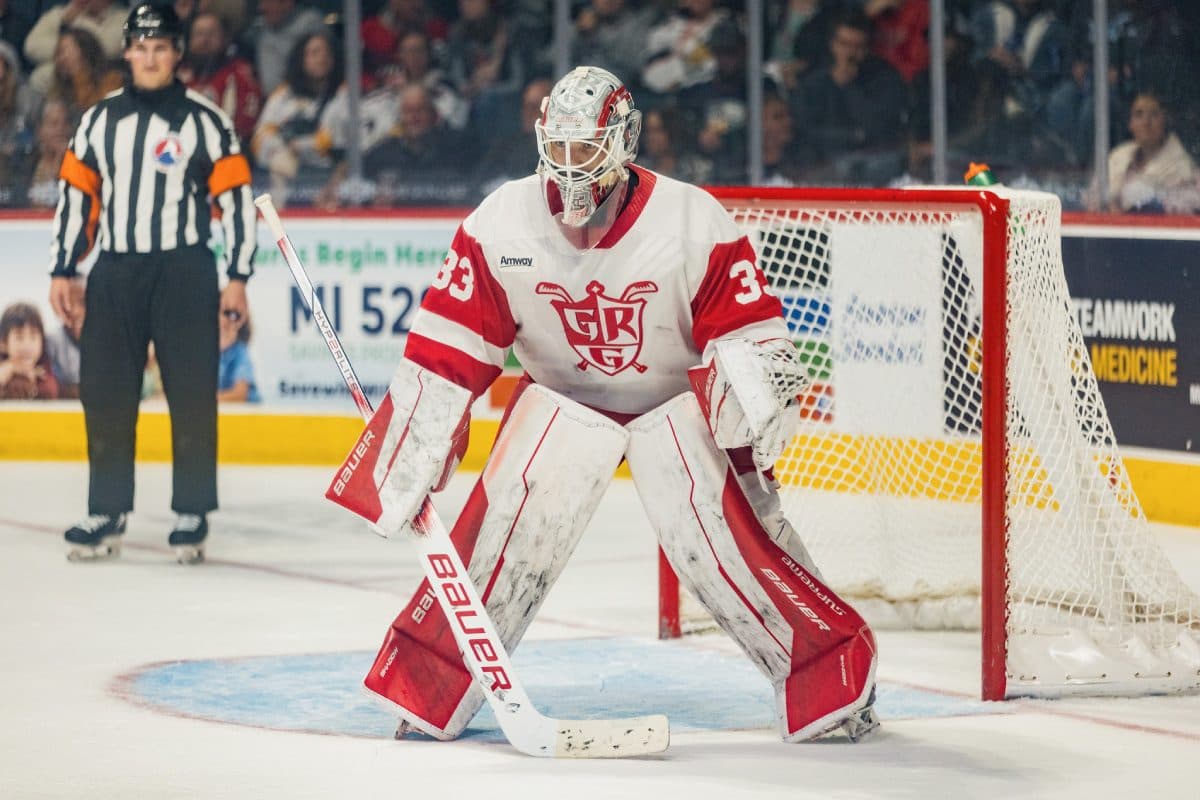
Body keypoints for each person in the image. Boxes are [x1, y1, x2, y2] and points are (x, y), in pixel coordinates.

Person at [328, 66, 880, 746]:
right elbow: (450, 348)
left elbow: (747, 335)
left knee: (717, 535)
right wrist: (415, 448)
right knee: (509, 519)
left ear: (623, 144)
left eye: (583, 149)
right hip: (558, 398)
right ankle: (431, 674)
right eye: (556, 148)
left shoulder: (692, 220)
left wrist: (753, 412)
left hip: (676, 407)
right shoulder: (500, 221)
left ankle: (830, 668)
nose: (567, 168)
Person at [48, 3, 257, 563]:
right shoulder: (97, 120)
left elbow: (236, 203)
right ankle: (106, 510)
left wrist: (237, 276)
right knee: (106, 391)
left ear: (177, 54)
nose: (149, 56)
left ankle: (192, 511)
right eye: (140, 46)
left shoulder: (206, 121)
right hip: (115, 272)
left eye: (160, 46)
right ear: (126, 52)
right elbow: (76, 198)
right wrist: (64, 267)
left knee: (191, 390)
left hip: (184, 270)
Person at [1093, 91, 1200, 215]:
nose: (1146, 123)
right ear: (1130, 124)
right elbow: (1093, 198)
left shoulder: (1182, 167)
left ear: (1165, 121)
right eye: (1139, 115)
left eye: (1154, 115)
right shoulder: (1117, 157)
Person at [0, 302, 59, 400]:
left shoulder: (43, 364)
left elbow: (51, 391)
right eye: (19, 337)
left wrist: (32, 380)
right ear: (3, 343)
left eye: (33, 337)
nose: (27, 345)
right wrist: (8, 370)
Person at [44, 278, 86, 399]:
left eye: (83, 302)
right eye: (68, 303)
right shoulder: (51, 341)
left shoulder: (108, 340)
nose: (76, 311)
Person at [217, 308, 259, 402]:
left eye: (226, 330)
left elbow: (240, 394)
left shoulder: (240, 352)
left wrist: (204, 400)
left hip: (246, 413)